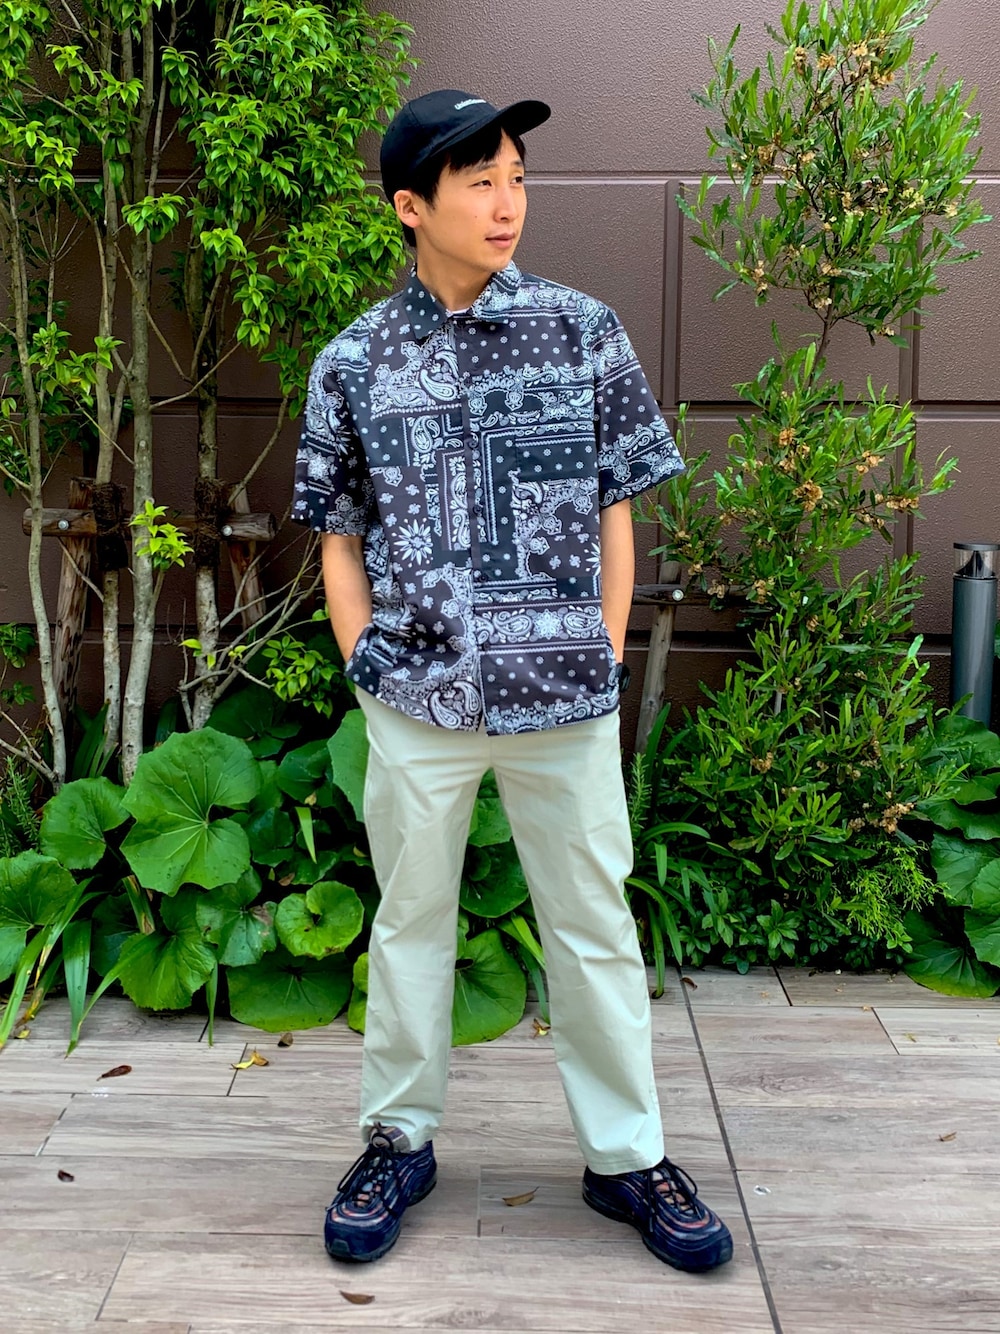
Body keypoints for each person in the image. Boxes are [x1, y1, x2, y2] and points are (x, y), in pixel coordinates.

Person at [291, 89, 733, 1274]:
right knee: (408, 921)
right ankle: (398, 1139)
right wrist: (365, 662)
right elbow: (338, 533)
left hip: (564, 696)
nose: (506, 202)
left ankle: (627, 1156)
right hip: (415, 696)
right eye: (479, 179)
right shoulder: (353, 361)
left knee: (593, 924)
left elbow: (617, 505)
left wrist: (602, 644)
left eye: (517, 178)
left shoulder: (583, 332)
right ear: (410, 205)